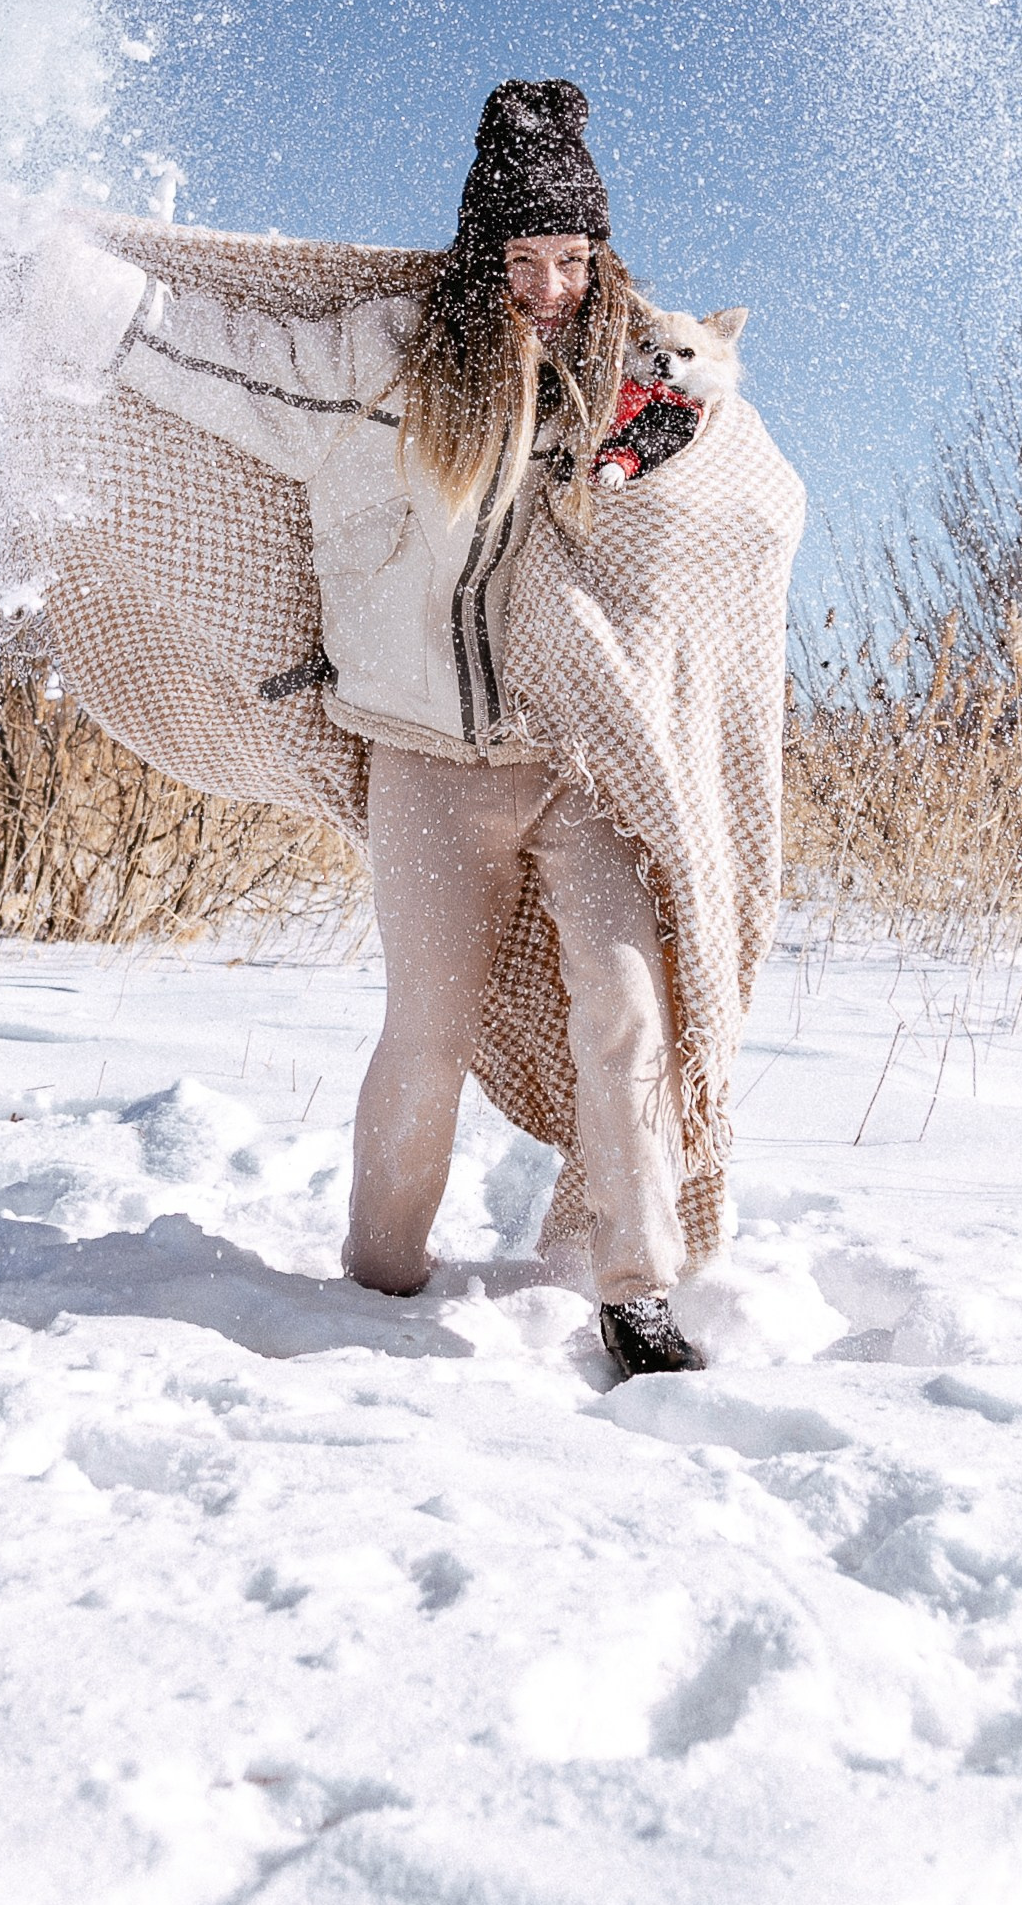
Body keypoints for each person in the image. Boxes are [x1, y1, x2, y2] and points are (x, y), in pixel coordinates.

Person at [105, 82, 704, 1378]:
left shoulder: (618, 359)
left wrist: (618, 449)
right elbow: (220, 358)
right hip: (425, 759)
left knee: (625, 1010)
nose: (549, 285)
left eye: (572, 259)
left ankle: (637, 1289)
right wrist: (86, 304)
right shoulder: (376, 361)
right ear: (478, 253)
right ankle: (379, 1275)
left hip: (575, 760)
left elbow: (701, 398)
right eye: (523, 259)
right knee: (424, 1028)